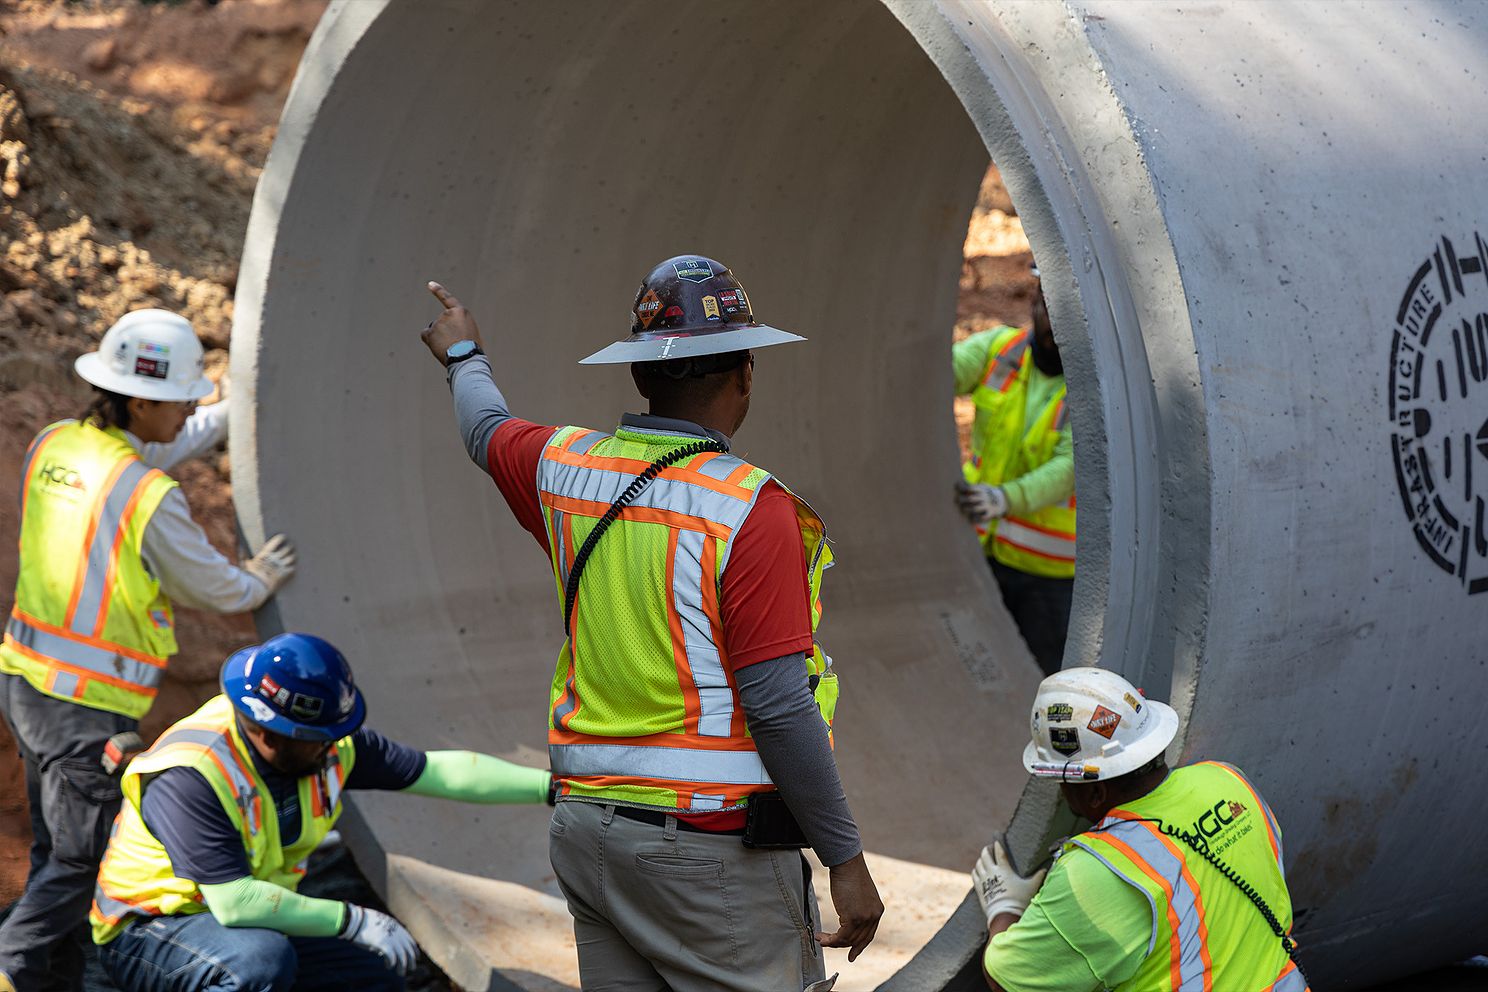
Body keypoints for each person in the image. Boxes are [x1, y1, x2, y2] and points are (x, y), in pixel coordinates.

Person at [419, 255, 883, 992]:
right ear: (747, 373)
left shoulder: (566, 468)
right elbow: (776, 702)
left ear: (639, 374)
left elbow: (485, 429)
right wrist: (845, 860)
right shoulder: (750, 509)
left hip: (589, 834)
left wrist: (464, 354)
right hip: (706, 849)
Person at [0, 309, 297, 992]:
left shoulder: (57, 445)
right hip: (85, 704)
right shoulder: (145, 493)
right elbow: (209, 583)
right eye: (184, 397)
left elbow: (151, 450)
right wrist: (259, 579)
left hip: (25, 682)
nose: (194, 404)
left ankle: (55, 981)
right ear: (140, 399)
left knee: (55, 849)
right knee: (79, 862)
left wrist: (223, 416)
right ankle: (11, 966)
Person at [90, 631, 554, 992]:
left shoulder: (326, 745)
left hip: (254, 921)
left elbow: (439, 772)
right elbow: (233, 903)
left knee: (373, 978)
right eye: (319, 739)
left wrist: (552, 788)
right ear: (269, 734)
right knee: (260, 964)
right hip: (151, 931)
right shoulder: (191, 775)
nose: (335, 746)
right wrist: (351, 920)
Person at [970, 667, 1307, 992]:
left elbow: (1008, 981)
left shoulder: (1098, 872)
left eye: (1062, 781)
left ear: (1095, 791)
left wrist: (1004, 909)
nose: (1061, 791)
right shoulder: (1227, 781)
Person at [953, 270, 1075, 675]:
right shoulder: (1000, 350)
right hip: (982, 553)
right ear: (1036, 300)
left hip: (1047, 577)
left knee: (1040, 681)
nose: (1057, 323)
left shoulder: (1093, 385)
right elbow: (943, 372)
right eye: (1050, 305)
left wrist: (1004, 499)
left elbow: (1068, 467)